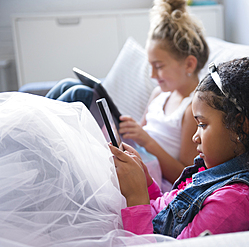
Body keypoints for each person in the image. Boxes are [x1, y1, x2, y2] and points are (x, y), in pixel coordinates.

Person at [108, 55, 249, 238]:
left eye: (203, 125)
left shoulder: (232, 202)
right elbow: (165, 216)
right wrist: (146, 183)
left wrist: (136, 197)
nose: (195, 137)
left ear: (239, 127)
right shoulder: (210, 169)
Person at [46, 0, 209, 188]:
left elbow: (186, 174)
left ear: (189, 64)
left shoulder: (191, 110)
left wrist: (145, 140)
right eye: (151, 66)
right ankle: (32, 133)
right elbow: (140, 132)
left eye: (159, 66)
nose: (152, 75)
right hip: (135, 153)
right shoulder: (159, 94)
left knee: (80, 94)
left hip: (150, 174)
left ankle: (34, 140)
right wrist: (129, 127)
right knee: (68, 85)